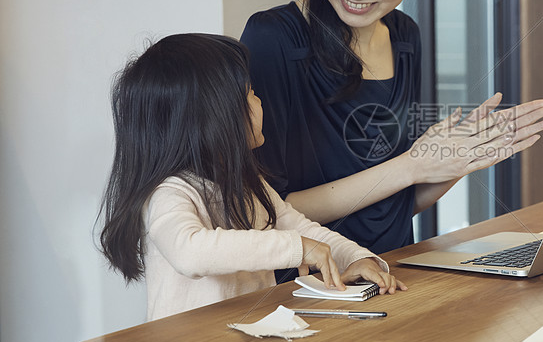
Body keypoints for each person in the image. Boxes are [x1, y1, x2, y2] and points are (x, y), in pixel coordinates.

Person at [241, 0, 543, 258]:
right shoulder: (273, 38)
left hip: (396, 273)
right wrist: (410, 167)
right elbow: (264, 211)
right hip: (309, 286)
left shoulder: (405, 36)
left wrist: (457, 158)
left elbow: (395, 205)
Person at [98, 34, 404, 321]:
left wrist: (356, 259)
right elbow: (190, 252)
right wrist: (297, 248)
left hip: (249, 339)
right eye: (251, 94)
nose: (260, 103)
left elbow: (304, 230)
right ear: (213, 118)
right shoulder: (170, 193)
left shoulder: (248, 185)